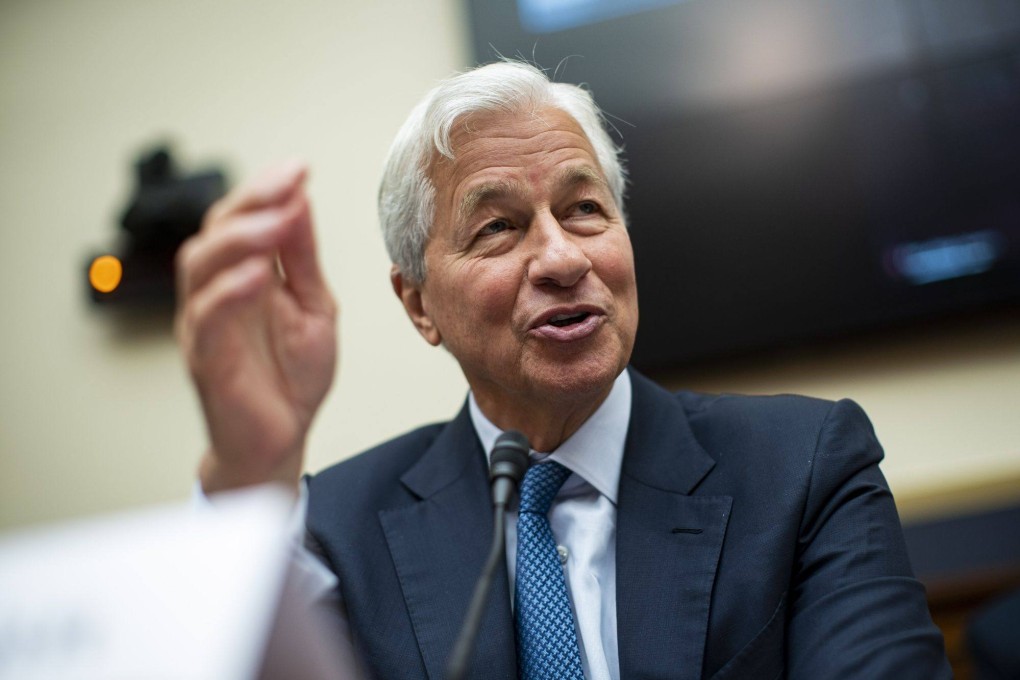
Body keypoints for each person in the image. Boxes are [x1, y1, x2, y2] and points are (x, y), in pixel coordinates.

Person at [176, 61, 951, 679]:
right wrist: (250, 469)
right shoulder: (333, 532)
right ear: (419, 305)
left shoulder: (804, 466)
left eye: (584, 209)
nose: (561, 257)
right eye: (498, 227)